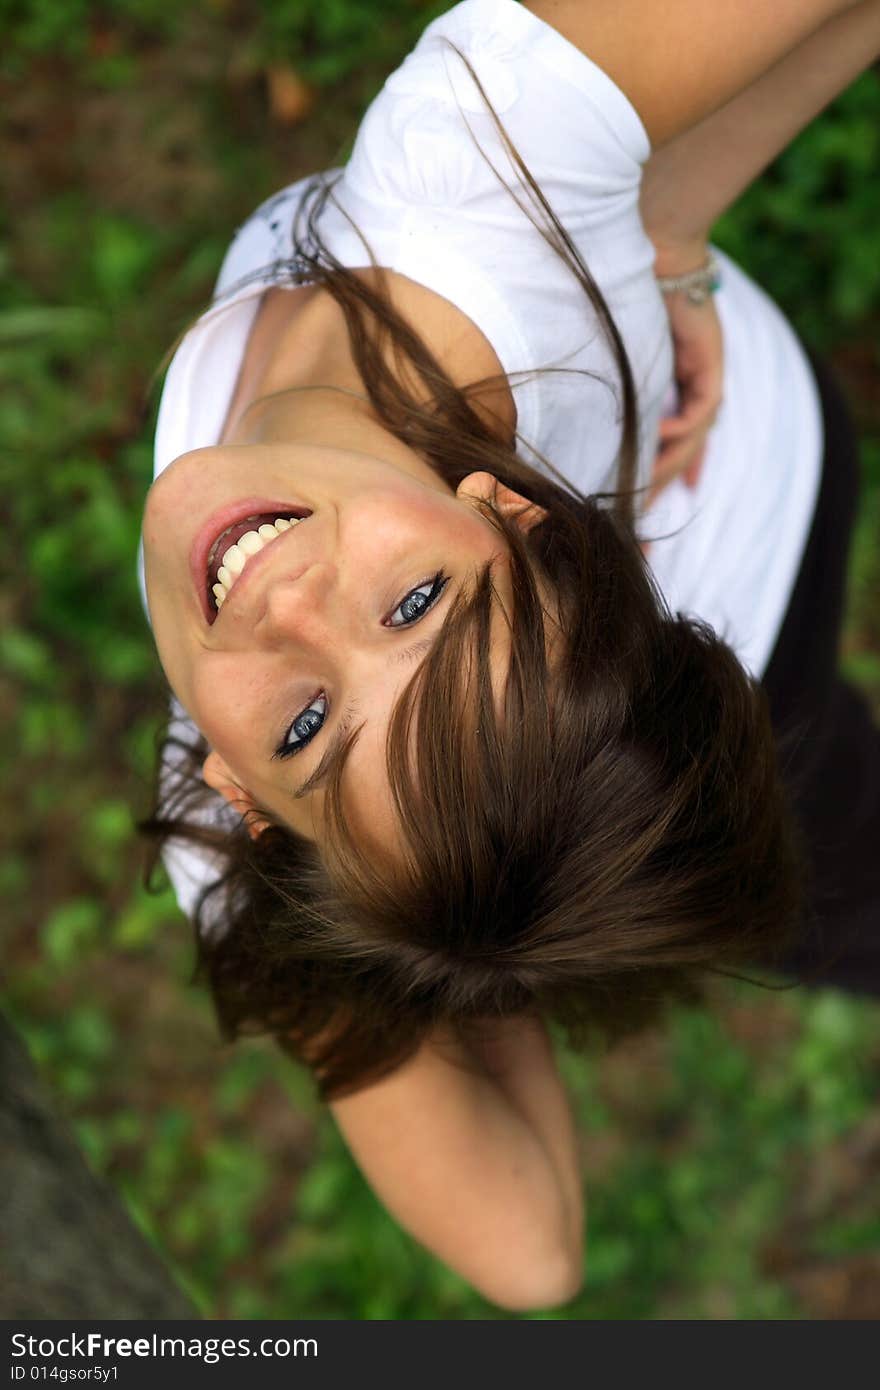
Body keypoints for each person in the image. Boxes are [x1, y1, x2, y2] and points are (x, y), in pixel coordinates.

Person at [138, 0, 880, 1309]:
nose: (291, 607)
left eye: (309, 726)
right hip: (734, 714)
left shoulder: (484, 162)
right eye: (410, 608)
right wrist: (466, 908)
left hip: (760, 513)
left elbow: (536, 1258)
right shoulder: (493, 178)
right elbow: (532, 1257)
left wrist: (661, 236)